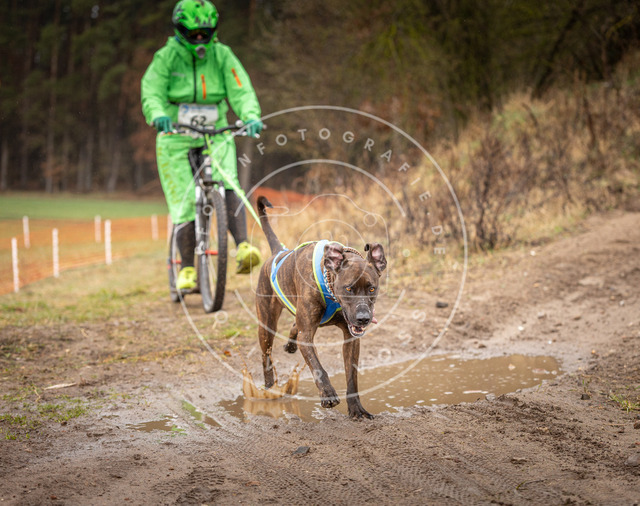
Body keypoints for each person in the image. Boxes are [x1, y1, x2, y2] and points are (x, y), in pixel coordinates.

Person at [141, 0, 263, 290]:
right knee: (183, 201)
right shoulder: (166, 57)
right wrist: (157, 114)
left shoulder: (222, 55)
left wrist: (250, 115)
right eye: (192, 34)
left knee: (228, 182)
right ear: (179, 30)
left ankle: (243, 247)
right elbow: (151, 91)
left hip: (215, 132)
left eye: (204, 33)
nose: (199, 39)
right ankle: (186, 269)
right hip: (175, 134)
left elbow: (241, 89)